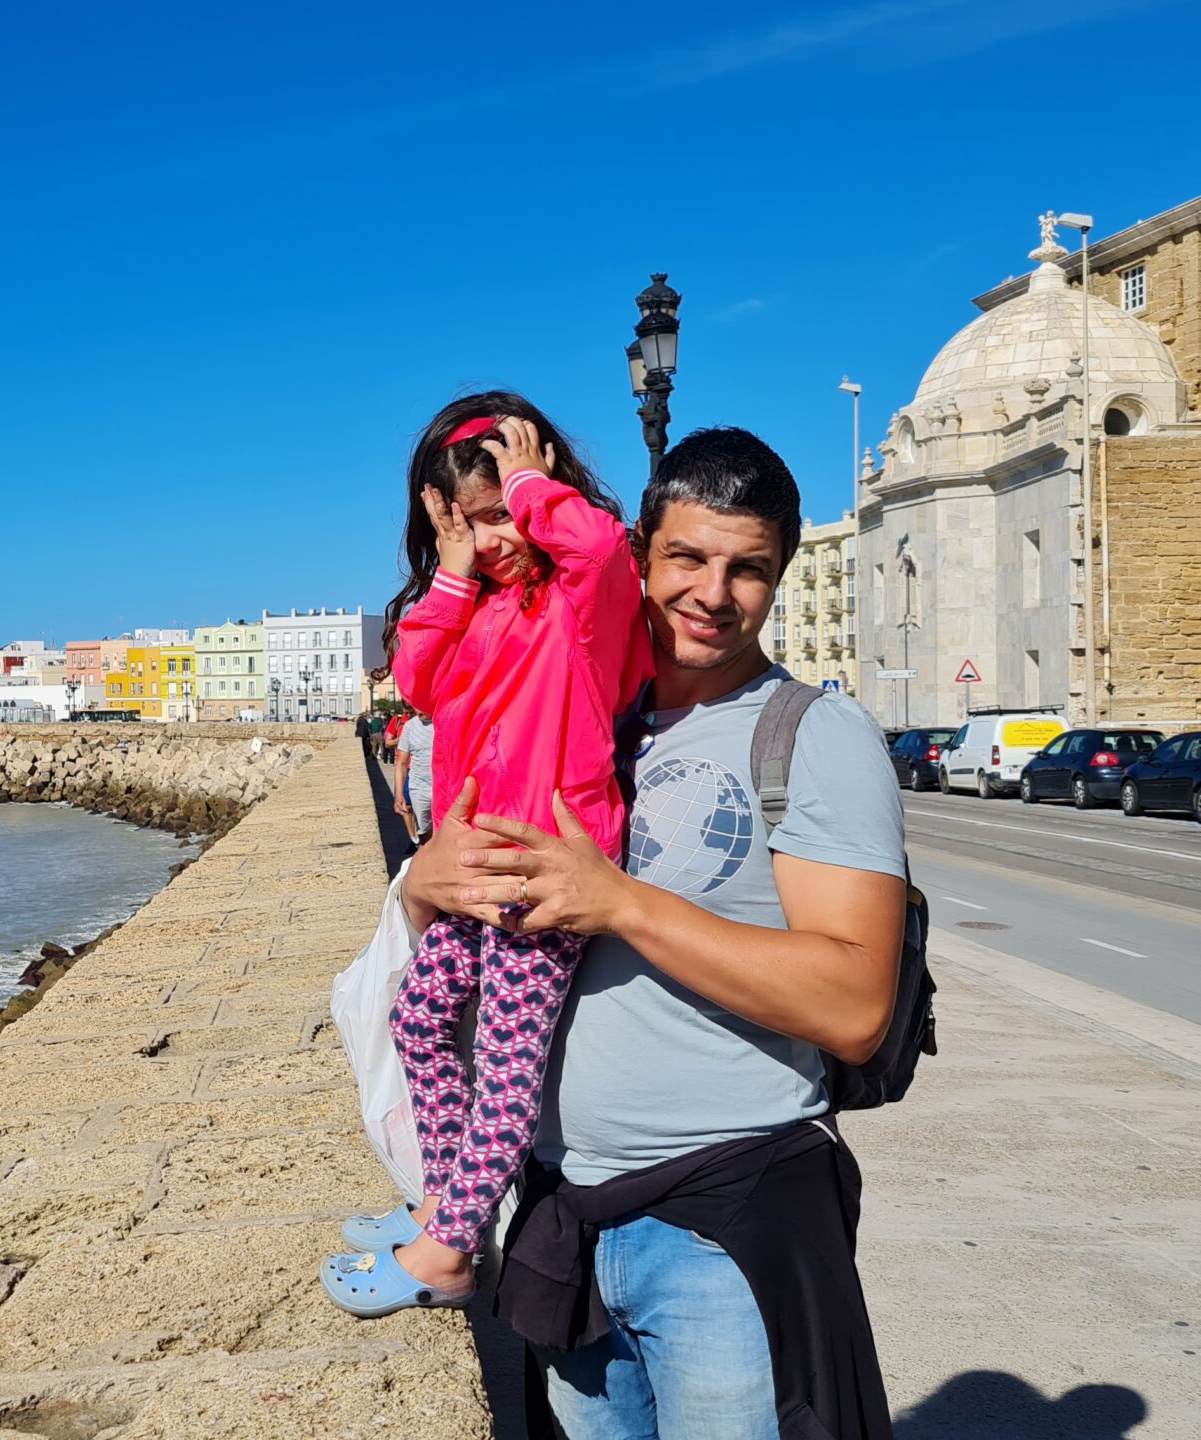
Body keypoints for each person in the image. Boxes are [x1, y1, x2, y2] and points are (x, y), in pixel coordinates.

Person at [397, 427, 905, 1439]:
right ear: (640, 554)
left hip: (721, 1225)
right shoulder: (583, 705)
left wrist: (620, 902)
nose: (713, 593)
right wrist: (424, 890)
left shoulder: (810, 733)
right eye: (687, 558)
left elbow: (854, 1007)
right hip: (565, 1224)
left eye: (747, 569)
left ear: (776, 581)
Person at [318, 392, 653, 1317]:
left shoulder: (581, 599)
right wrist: (457, 573)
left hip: (543, 868)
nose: (494, 537)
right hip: (474, 869)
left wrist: (530, 487)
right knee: (420, 1020)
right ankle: (443, 1198)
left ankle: (450, 1250)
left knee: (508, 1063)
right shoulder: (489, 602)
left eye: (500, 516)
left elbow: (591, 548)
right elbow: (418, 679)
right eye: (468, 525)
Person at [395, 707, 437, 841]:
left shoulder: (444, 722)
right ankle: (426, 855)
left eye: (422, 707)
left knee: (444, 829)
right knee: (424, 831)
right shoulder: (409, 727)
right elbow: (401, 763)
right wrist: (399, 795)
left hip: (442, 788)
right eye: (416, 707)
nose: (419, 712)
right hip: (419, 788)